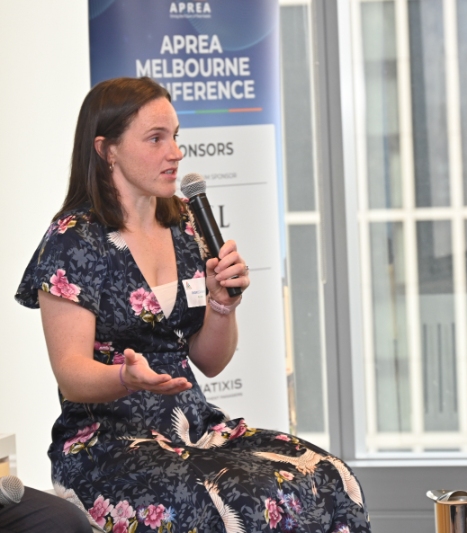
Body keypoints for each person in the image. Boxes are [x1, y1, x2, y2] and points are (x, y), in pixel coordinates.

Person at [15, 77, 370, 533]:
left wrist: (222, 305)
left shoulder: (185, 222)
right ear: (107, 150)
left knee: (327, 475)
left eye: (176, 137)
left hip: (194, 428)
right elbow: (71, 373)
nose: (176, 152)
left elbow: (210, 361)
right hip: (110, 445)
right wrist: (125, 377)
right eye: (156, 139)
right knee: (236, 501)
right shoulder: (74, 239)